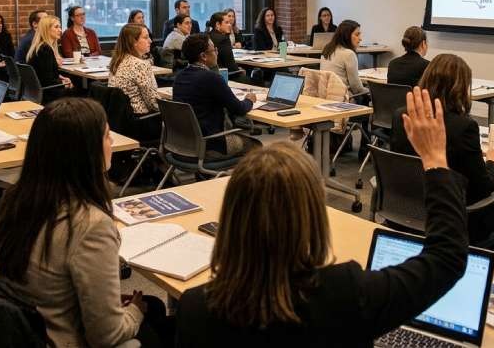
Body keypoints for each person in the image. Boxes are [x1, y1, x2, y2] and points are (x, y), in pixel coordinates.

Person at [175, 88, 469, 347]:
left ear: (232, 217)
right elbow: (446, 258)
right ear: (313, 216)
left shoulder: (195, 309)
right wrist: (434, 160)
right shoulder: (346, 293)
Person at [0, 98, 173, 348]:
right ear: (86, 152)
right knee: (153, 315)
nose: (112, 142)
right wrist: (135, 311)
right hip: (61, 337)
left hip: (28, 326)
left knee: (156, 307)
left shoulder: (15, 198)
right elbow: (106, 336)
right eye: (106, 136)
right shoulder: (90, 224)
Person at [390, 53, 494, 266]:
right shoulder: (464, 127)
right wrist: (493, 161)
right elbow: (482, 188)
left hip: (404, 209)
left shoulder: (401, 115)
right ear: (461, 88)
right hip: (449, 217)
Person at [173, 33, 261, 156]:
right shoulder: (211, 78)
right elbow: (239, 109)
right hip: (211, 143)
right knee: (257, 147)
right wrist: (249, 100)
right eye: (214, 49)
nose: (216, 53)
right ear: (203, 56)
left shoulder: (179, 77)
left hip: (182, 143)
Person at [108, 24, 161, 141]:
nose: (150, 41)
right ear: (133, 42)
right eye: (146, 37)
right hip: (142, 121)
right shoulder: (140, 64)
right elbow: (153, 103)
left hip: (121, 121)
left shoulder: (117, 61)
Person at [26, 15, 73, 103]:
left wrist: (60, 78)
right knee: (80, 89)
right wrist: (63, 83)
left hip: (38, 92)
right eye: (56, 27)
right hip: (48, 94)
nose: (60, 30)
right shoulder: (45, 50)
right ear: (46, 29)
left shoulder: (39, 47)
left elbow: (45, 73)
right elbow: (48, 81)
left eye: (60, 27)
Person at [320, 19, 368, 98]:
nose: (360, 38)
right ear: (347, 35)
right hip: (343, 99)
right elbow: (356, 88)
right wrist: (371, 91)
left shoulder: (327, 49)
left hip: (325, 96)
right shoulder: (349, 54)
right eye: (357, 35)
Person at [208, 11, 245, 78]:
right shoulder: (223, 40)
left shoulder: (208, 35)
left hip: (212, 75)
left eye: (230, 23)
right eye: (226, 23)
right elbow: (231, 66)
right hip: (227, 76)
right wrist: (240, 71)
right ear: (218, 24)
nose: (230, 25)